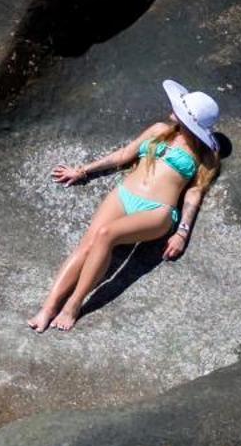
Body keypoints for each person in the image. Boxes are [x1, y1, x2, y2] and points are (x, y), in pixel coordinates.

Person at [27, 80, 222, 332]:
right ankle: (48, 308)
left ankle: (73, 305)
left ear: (191, 120)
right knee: (87, 244)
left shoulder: (205, 158)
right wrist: (83, 171)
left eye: (181, 109)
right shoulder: (160, 130)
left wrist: (182, 232)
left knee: (106, 235)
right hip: (124, 195)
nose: (172, 109)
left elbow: (194, 194)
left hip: (157, 211)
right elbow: (123, 155)